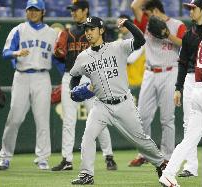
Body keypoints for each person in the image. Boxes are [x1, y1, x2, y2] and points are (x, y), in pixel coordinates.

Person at [70, 16, 167, 185]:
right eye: (86, 29)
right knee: (87, 138)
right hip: (101, 105)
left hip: (123, 103)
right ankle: (87, 174)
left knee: (140, 140)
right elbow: (74, 77)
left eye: (92, 29)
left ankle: (161, 163)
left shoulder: (117, 47)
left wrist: (128, 24)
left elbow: (140, 40)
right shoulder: (82, 57)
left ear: (101, 30)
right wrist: (75, 90)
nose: (88, 32)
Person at [51, 0, 117, 171]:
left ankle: (109, 156)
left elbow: (108, 50)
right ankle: (67, 159)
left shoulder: (96, 29)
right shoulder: (68, 32)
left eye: (76, 10)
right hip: (70, 76)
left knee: (98, 117)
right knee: (68, 120)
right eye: (72, 10)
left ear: (85, 10)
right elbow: (58, 58)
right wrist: (63, 67)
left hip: (91, 77)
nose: (73, 13)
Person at [0, 0, 58, 170]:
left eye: (36, 10)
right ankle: (5, 156)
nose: (32, 12)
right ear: (26, 11)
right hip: (22, 77)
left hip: (42, 77)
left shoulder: (52, 33)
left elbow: (58, 58)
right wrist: (16, 53)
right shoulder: (18, 30)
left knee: (42, 120)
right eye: (30, 9)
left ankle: (43, 158)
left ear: (43, 12)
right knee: (14, 119)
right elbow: (5, 53)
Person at [128, 0, 187, 167]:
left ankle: (167, 156)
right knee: (142, 117)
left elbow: (185, 44)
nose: (145, 16)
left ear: (154, 10)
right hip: (149, 72)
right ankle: (145, 153)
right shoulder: (147, 23)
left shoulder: (177, 25)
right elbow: (134, 6)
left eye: (147, 12)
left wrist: (168, 35)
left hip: (169, 71)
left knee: (167, 118)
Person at [159, 1, 202, 185]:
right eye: (189, 8)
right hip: (197, 82)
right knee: (189, 129)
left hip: (200, 89)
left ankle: (169, 173)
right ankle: (187, 167)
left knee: (191, 134)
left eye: (194, 7)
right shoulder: (189, 35)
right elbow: (183, 62)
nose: (190, 11)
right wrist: (178, 87)